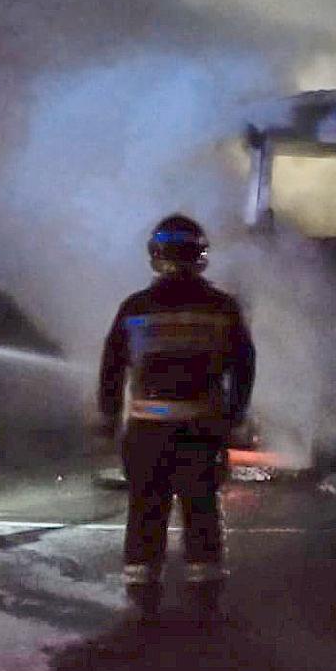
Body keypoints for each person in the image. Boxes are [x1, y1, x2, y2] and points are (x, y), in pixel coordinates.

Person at [98, 214, 255, 625]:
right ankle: (205, 598)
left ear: (156, 254)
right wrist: (233, 416)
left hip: (146, 434)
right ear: (200, 255)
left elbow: (112, 369)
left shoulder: (134, 308)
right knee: (201, 510)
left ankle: (142, 597)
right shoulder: (221, 307)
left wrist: (109, 419)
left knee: (145, 511)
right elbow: (244, 367)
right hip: (201, 432)